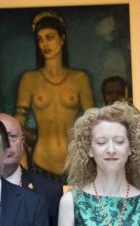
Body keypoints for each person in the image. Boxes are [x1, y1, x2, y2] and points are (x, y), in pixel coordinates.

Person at [14, 10, 94, 180]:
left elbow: (93, 122)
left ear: (62, 39)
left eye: (50, 37)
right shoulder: (29, 79)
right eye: (40, 40)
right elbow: (17, 124)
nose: (45, 44)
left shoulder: (80, 79)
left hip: (75, 165)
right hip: (41, 163)